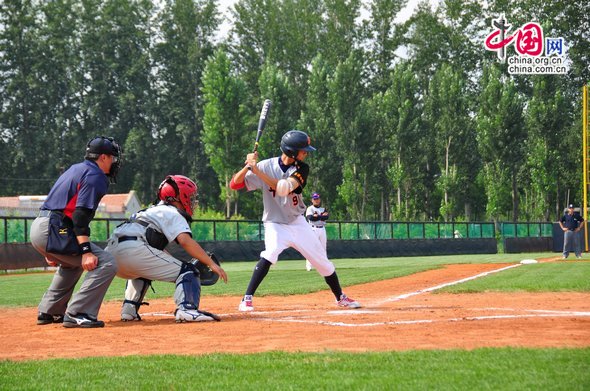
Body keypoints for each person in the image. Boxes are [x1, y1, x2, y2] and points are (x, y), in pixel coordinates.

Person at [229, 129, 361, 311]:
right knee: (271, 252)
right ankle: (246, 298)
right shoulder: (266, 165)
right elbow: (234, 184)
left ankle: (340, 297)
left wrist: (257, 170)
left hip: (297, 221)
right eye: (303, 150)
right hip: (274, 222)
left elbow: (283, 188)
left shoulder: (301, 169)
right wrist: (248, 166)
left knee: (322, 261)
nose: (306, 153)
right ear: (292, 151)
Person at [105, 175, 228, 322]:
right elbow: (185, 241)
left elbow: (153, 250)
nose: (193, 201)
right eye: (190, 196)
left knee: (143, 271)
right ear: (178, 197)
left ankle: (129, 310)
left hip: (111, 253)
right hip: (134, 249)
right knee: (188, 271)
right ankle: (187, 309)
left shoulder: (149, 211)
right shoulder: (172, 211)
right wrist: (211, 263)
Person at [30, 136, 122, 328]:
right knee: (106, 262)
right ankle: (78, 312)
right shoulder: (95, 175)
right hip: (54, 228)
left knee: (74, 264)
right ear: (103, 157)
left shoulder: (76, 168)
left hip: (42, 225)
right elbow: (80, 216)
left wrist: (50, 248)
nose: (114, 162)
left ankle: (50, 311)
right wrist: (86, 250)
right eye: (113, 158)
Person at [304, 192, 328, 271]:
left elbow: (326, 217)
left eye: (317, 198)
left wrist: (317, 216)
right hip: (313, 229)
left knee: (323, 247)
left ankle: (324, 265)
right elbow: (310, 218)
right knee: (312, 247)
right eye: (315, 199)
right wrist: (321, 216)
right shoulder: (310, 208)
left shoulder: (323, 209)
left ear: (319, 199)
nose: (316, 200)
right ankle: (309, 265)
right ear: (312, 200)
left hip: (322, 229)